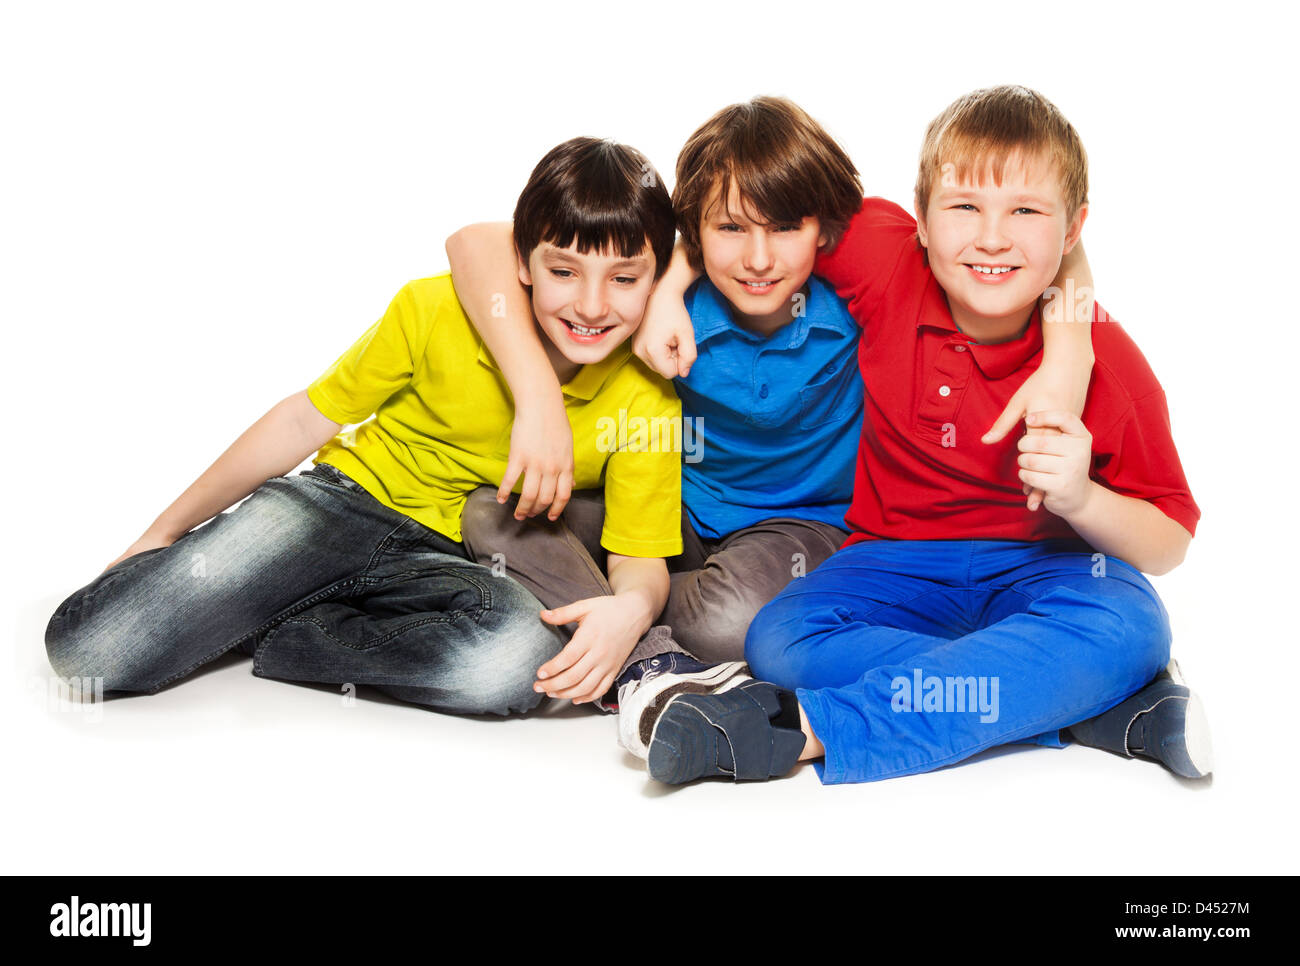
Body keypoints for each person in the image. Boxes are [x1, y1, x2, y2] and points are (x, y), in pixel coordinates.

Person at [443, 96, 1095, 737]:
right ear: (693, 232)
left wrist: (1070, 358)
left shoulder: (862, 279)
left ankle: (622, 615)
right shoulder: (647, 288)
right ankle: (647, 655)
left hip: (799, 531)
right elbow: (479, 244)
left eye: (784, 229)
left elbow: (1048, 245)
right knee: (493, 512)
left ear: (825, 228)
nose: (758, 260)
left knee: (727, 623)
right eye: (729, 230)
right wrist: (658, 295)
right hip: (667, 513)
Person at [637, 85, 1212, 785]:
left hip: (1048, 572)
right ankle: (1073, 702)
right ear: (919, 219)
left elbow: (1169, 544)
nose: (992, 237)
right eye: (964, 207)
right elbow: (751, 218)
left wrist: (1082, 497)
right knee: (779, 639)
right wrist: (666, 288)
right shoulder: (884, 260)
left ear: (1072, 231)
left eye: (1025, 212)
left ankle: (804, 728)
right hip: (889, 563)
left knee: (1133, 628)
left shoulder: (1111, 369)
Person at [45, 136, 683, 715]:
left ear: (657, 280)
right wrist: (163, 531)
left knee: (515, 661)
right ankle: (260, 590)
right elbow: (303, 418)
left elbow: (638, 551)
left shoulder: (649, 397)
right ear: (522, 262)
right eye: (563, 271)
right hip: (345, 505)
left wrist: (632, 608)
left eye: (624, 279)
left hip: (459, 560)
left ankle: (291, 630)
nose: (592, 305)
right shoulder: (435, 307)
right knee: (89, 652)